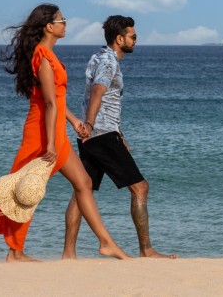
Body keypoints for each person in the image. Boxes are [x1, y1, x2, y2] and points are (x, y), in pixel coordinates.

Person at [0, 3, 131, 262]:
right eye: (62, 20)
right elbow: (49, 104)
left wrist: (74, 121)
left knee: (83, 183)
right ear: (49, 27)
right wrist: (51, 143)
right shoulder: (43, 57)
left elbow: (56, 101)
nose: (66, 24)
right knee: (26, 190)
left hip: (53, 129)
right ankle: (15, 253)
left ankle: (106, 243)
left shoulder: (48, 56)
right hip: (41, 132)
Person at [62, 15, 176, 260]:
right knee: (140, 187)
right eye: (133, 37)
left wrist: (115, 132)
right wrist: (92, 125)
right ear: (119, 38)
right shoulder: (109, 63)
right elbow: (98, 92)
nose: (136, 41)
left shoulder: (98, 57)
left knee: (83, 191)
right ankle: (146, 250)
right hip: (101, 134)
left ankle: (68, 254)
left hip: (95, 135)